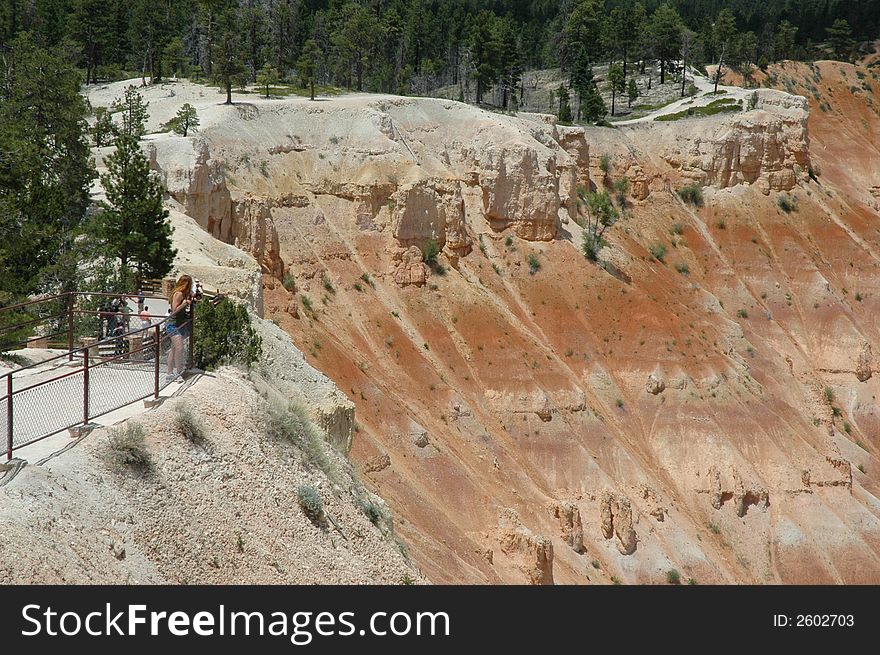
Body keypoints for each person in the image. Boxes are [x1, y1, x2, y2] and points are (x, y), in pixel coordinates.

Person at [166, 274, 193, 382]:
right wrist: (185, 303)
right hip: (173, 325)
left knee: (174, 349)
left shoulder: (183, 294)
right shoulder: (178, 294)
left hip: (179, 324)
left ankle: (169, 373)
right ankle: (178, 372)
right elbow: (174, 310)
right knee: (179, 348)